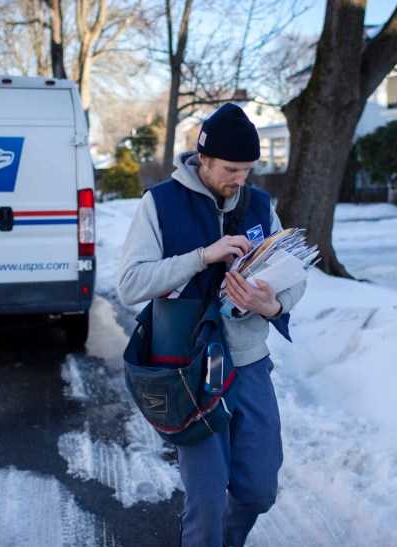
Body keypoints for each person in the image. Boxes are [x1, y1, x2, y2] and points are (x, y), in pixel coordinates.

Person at [117, 103, 307, 546]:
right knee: (205, 499)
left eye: (247, 170)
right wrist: (203, 256)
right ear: (202, 158)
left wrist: (271, 305)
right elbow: (129, 284)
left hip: (249, 365)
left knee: (259, 491)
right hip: (189, 372)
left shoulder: (259, 205)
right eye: (230, 169)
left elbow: (295, 282)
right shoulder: (160, 203)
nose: (240, 180)